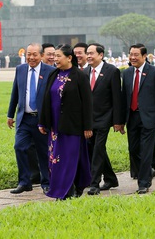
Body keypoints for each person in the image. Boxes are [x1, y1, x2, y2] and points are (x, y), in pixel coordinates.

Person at [38, 44, 93, 199]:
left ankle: (66, 192)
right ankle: (66, 188)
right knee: (55, 160)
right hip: (55, 127)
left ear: (69, 58)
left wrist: (88, 126)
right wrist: (42, 122)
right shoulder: (53, 74)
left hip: (72, 126)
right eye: (54, 56)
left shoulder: (79, 76)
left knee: (67, 160)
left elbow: (87, 103)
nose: (55, 59)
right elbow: (46, 99)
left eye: (58, 56)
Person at [121, 44, 155, 194]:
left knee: (146, 150)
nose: (133, 57)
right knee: (133, 149)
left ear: (144, 57)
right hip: (132, 117)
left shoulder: (154, 72)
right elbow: (124, 97)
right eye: (131, 54)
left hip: (148, 118)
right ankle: (147, 170)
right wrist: (121, 120)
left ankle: (144, 183)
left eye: (136, 55)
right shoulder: (127, 73)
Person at [6, 43, 54, 194]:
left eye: (34, 54)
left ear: (41, 56)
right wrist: (10, 114)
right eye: (29, 54)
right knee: (19, 147)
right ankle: (24, 182)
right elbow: (15, 92)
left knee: (43, 151)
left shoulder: (50, 71)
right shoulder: (20, 69)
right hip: (24, 119)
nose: (31, 57)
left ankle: (46, 182)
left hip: (41, 119)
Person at [84, 43, 123, 195]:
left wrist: (117, 121)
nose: (88, 56)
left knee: (98, 149)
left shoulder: (111, 71)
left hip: (105, 118)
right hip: (89, 120)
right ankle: (111, 178)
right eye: (87, 53)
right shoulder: (85, 72)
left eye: (91, 53)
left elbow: (116, 97)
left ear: (100, 55)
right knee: (95, 149)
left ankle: (94, 183)